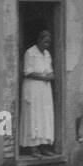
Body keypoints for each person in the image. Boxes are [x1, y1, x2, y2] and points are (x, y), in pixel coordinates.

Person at [20, 28, 56, 157]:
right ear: (39, 40)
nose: (47, 45)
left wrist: (50, 76)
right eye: (45, 42)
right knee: (33, 116)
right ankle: (33, 148)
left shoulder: (47, 54)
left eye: (48, 43)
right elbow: (27, 71)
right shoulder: (30, 52)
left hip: (45, 90)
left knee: (44, 116)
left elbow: (50, 71)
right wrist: (44, 77)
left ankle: (44, 147)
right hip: (33, 87)